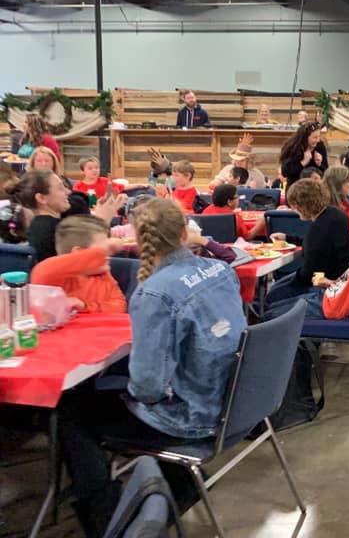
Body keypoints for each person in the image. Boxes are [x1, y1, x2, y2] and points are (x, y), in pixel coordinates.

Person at [58, 198, 245, 536]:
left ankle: (107, 519)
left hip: (190, 418)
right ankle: (177, 485)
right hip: (233, 403)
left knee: (70, 410)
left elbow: (148, 388)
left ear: (139, 239)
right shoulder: (221, 269)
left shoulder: (155, 294)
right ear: (186, 231)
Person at [267, 182, 349, 321]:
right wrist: (329, 282)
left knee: (272, 305)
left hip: (330, 302)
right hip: (334, 290)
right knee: (278, 292)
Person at [264, 179, 349, 308]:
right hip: (343, 278)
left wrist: (294, 281)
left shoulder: (320, 227)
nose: (293, 209)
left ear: (303, 205)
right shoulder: (333, 214)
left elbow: (310, 273)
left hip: (329, 286)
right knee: (278, 288)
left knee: (272, 298)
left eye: (294, 205)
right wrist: (288, 238)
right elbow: (320, 244)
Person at [13, 170, 124, 262]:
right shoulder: (55, 230)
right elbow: (90, 261)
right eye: (60, 188)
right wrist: (102, 221)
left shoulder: (39, 225)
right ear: (42, 198)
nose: (68, 192)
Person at [30, 215, 128, 314]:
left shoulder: (103, 275)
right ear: (79, 253)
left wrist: (85, 307)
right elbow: (42, 270)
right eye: (103, 248)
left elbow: (119, 306)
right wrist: (103, 251)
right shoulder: (56, 277)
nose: (108, 255)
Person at [280, 121, 329, 186]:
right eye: (315, 137)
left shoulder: (320, 146)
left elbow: (326, 171)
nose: (318, 140)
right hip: (295, 187)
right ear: (305, 137)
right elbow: (285, 172)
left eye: (319, 136)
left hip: (315, 188)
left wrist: (319, 164)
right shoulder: (293, 147)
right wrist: (303, 162)